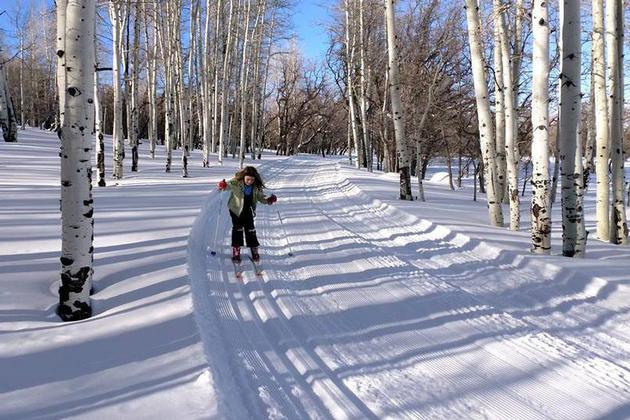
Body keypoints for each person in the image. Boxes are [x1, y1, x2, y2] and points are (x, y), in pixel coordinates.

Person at [217, 166, 277, 263]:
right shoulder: (236, 182)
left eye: (252, 179)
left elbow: (261, 198)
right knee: (238, 228)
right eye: (248, 179)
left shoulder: (255, 187)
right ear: (244, 177)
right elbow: (228, 186)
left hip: (248, 210)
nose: (250, 181)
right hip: (236, 210)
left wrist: (268, 200)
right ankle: (236, 251)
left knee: (250, 229)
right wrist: (223, 185)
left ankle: (254, 249)